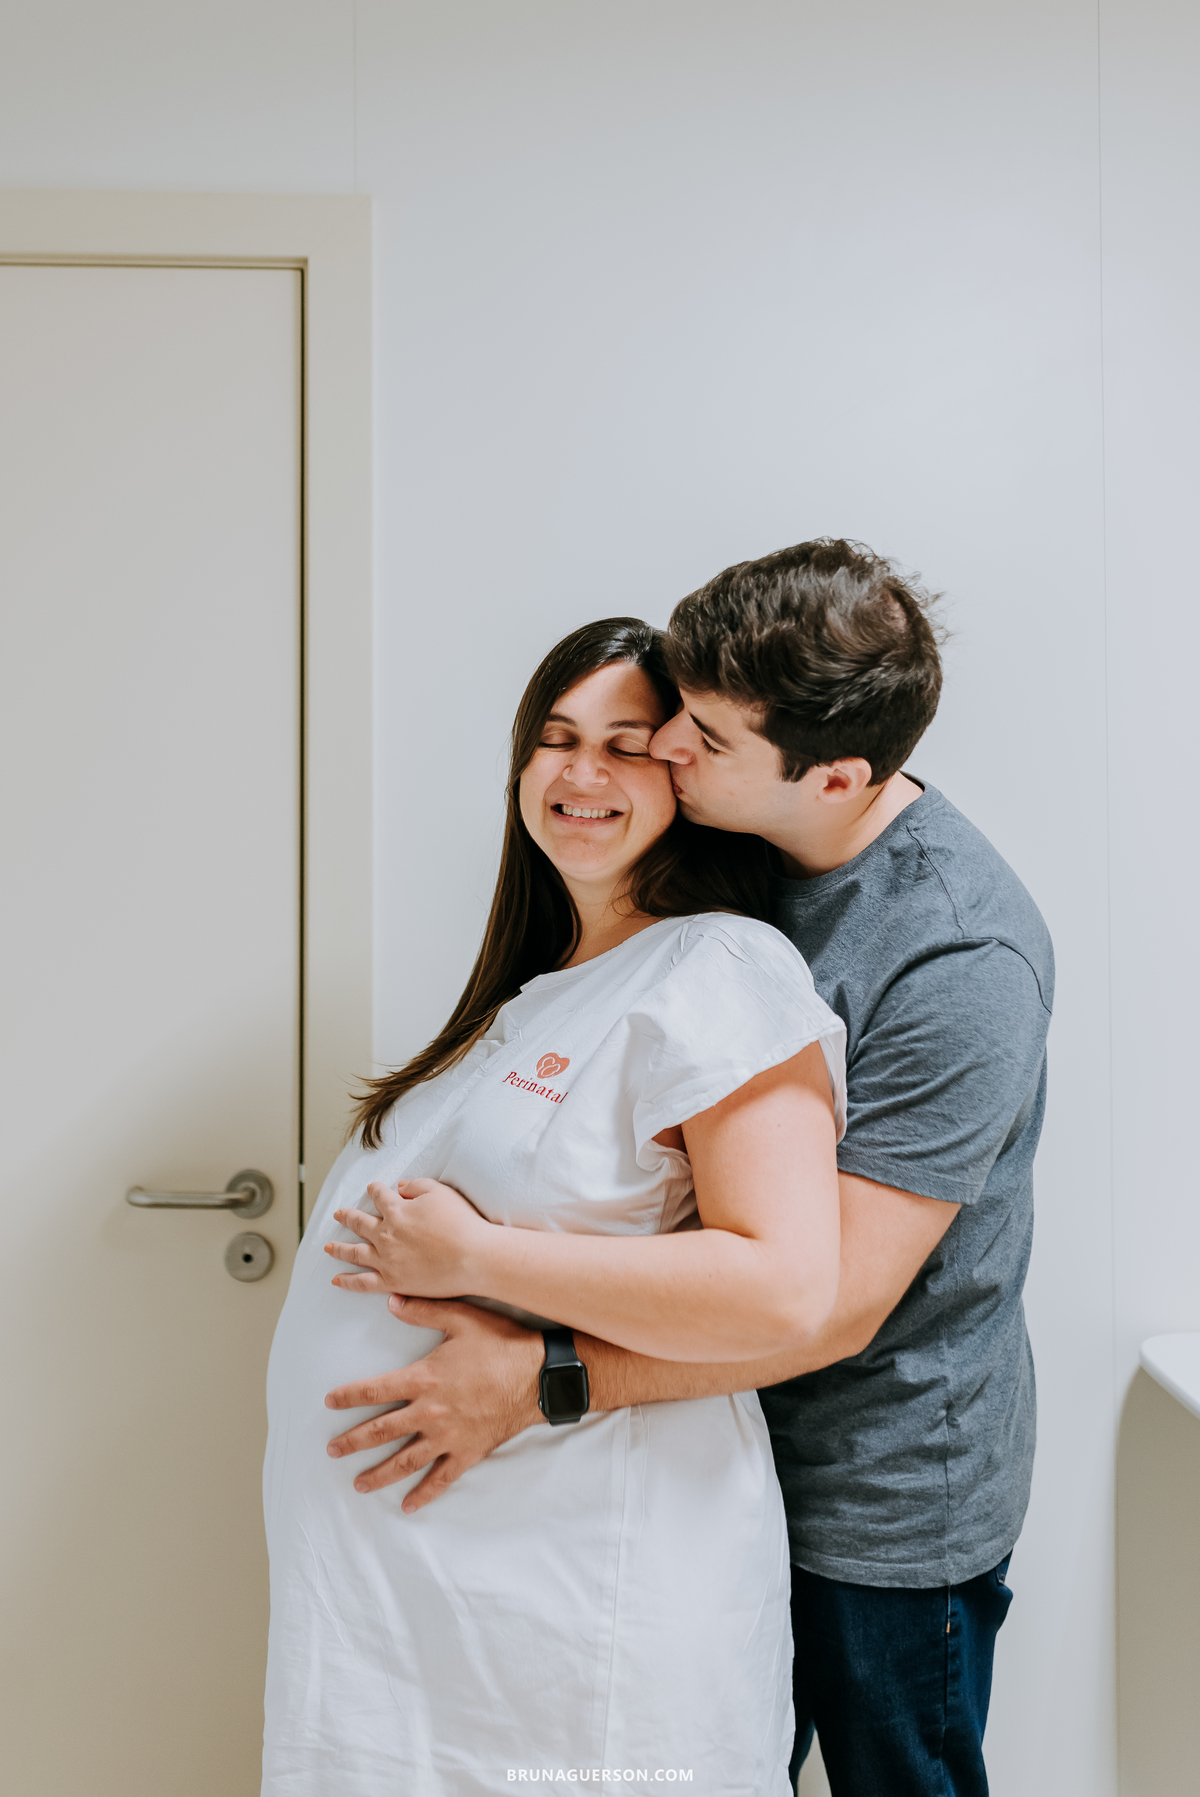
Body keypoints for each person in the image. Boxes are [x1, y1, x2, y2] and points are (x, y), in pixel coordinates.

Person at [325, 541, 1054, 1797]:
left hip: (879, 1501)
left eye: (700, 740)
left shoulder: (958, 960)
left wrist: (539, 1384)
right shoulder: (745, 844)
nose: (664, 754)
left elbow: (828, 1304)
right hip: (709, 1450)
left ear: (833, 776)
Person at [261, 618, 848, 1795]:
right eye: (555, 738)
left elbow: (782, 1288)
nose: (580, 775)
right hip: (425, 1612)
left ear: (685, 772)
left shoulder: (718, 969)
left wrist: (483, 1255)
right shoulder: (541, 990)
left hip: (571, 1606)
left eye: (626, 746)